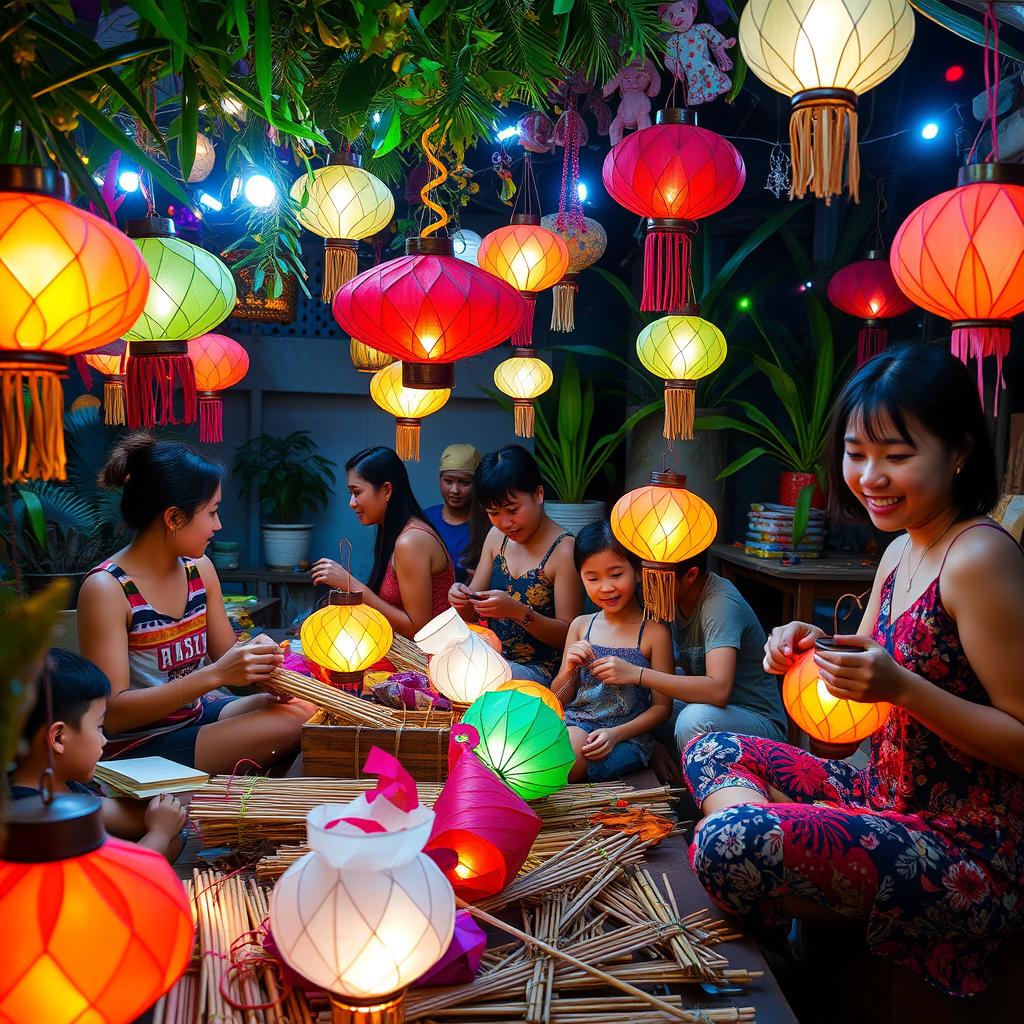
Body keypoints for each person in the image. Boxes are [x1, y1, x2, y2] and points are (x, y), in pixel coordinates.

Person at [683, 343, 1024, 998]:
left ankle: (768, 882)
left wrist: (902, 688)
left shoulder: (979, 557)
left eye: (897, 456)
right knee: (709, 745)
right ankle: (779, 882)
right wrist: (811, 652)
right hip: (883, 796)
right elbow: (858, 693)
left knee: (728, 841)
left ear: (958, 452)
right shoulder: (899, 550)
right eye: (856, 452)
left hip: (969, 848)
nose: (870, 475)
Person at [78, 434, 311, 775]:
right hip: (137, 745)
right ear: (173, 518)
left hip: (193, 717)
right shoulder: (107, 589)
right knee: (291, 725)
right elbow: (113, 714)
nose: (218, 525)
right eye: (212, 512)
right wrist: (216, 674)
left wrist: (265, 661)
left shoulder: (198, 569)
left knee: (304, 708)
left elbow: (228, 658)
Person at [10, 649, 188, 861]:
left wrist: (167, 811)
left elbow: (129, 818)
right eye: (99, 727)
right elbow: (120, 880)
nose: (104, 740)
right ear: (58, 738)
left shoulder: (60, 788)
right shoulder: (40, 818)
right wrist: (159, 834)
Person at [619, 550, 787, 757]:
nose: (647, 588)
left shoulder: (720, 605)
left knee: (692, 719)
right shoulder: (671, 600)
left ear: (690, 576)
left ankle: (701, 786)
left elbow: (718, 691)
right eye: (645, 576)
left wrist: (638, 674)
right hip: (712, 711)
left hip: (758, 724)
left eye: (657, 579)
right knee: (644, 702)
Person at [551, 522, 673, 781]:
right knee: (558, 761)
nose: (605, 587)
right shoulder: (581, 625)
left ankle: (649, 753)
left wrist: (615, 734)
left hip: (627, 733)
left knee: (585, 768)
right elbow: (559, 697)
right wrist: (569, 669)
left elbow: (662, 708)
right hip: (578, 723)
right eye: (593, 578)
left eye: (616, 575)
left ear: (638, 572)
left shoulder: (653, 632)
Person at [451, 445, 583, 683]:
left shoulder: (565, 549)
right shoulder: (496, 537)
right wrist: (460, 597)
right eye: (493, 513)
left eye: (512, 510)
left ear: (538, 495)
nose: (505, 522)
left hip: (542, 671)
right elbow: (472, 608)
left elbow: (569, 634)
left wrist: (516, 611)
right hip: (492, 657)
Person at [312, 446, 454, 637]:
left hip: (425, 661)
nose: (352, 502)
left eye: (357, 492)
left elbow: (419, 631)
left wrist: (352, 585)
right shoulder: (395, 532)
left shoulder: (411, 541)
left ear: (387, 491)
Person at [422, 443, 482, 584]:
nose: (455, 490)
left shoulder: (488, 523)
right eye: (448, 481)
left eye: (464, 483)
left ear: (477, 483)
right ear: (439, 479)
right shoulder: (426, 519)